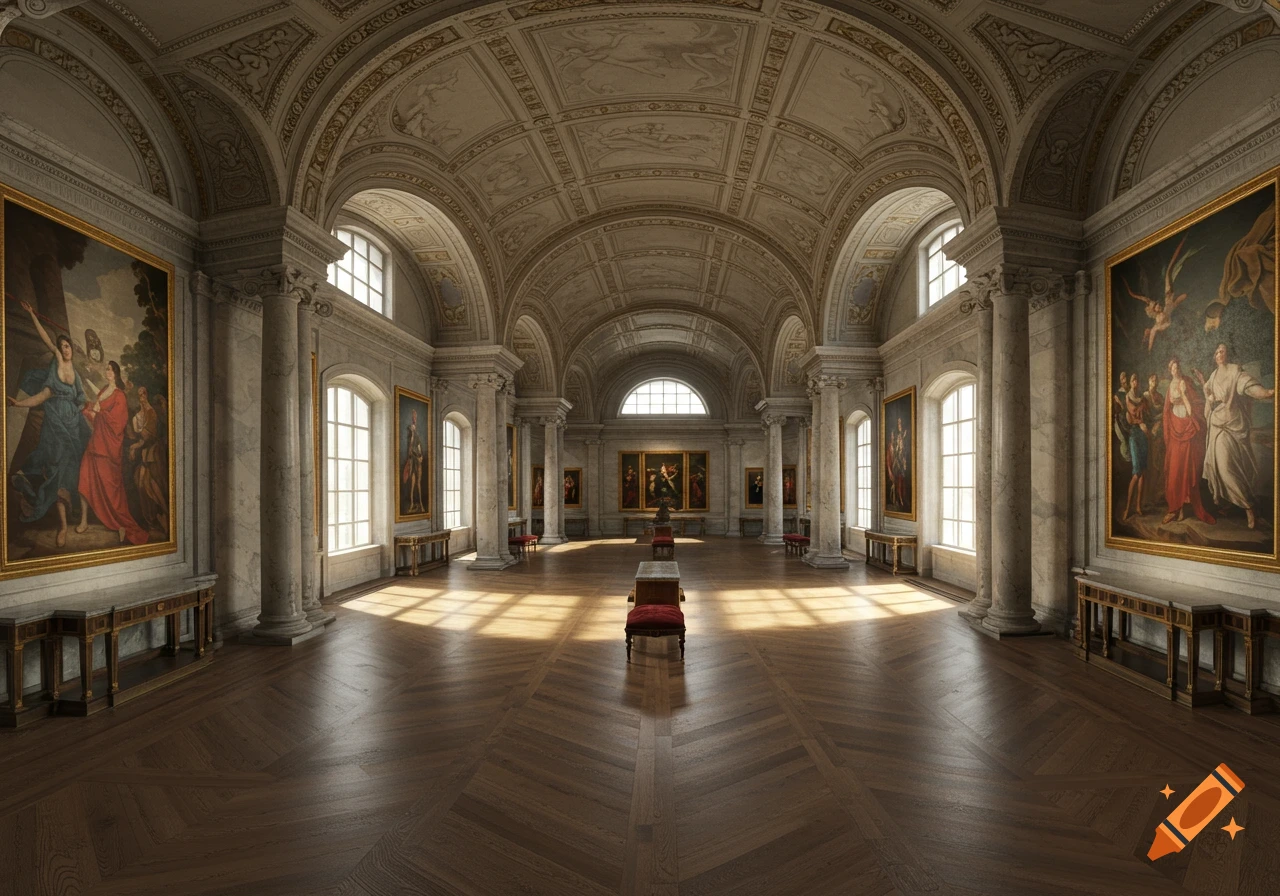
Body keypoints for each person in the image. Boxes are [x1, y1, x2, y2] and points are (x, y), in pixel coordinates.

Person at [7, 301, 91, 547]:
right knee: (55, 474)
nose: (66, 349)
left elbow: (82, 401)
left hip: (73, 428)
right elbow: (43, 396)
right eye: (62, 346)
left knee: (70, 474)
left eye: (68, 346)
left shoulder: (75, 373)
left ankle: (69, 519)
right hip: (54, 429)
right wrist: (20, 403)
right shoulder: (56, 365)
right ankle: (63, 527)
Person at [1196, 342, 1276, 528]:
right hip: (1217, 426)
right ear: (1214, 357)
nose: (1219, 353)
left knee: (1228, 467)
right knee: (1220, 467)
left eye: (1222, 350)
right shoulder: (1213, 376)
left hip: (1232, 424)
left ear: (1227, 354)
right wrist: (1208, 400)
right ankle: (1235, 504)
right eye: (1216, 351)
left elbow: (1248, 387)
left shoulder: (1234, 372)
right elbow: (1208, 399)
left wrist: (1266, 393)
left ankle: (1248, 506)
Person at [77, 361, 148, 544]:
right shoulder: (102, 392)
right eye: (106, 369)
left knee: (110, 490)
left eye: (109, 369)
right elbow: (97, 417)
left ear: (115, 373)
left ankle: (121, 524)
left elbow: (118, 424)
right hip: (95, 444)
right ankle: (83, 521)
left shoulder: (120, 396)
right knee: (84, 480)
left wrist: (99, 412)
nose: (107, 371)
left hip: (108, 449)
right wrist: (89, 410)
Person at [1162, 357, 1214, 525]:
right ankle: (1175, 508)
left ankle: (1182, 509)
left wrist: (1183, 394)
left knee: (1186, 469)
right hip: (1175, 428)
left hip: (1187, 427)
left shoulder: (1186, 382)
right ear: (1170, 370)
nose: (1175, 370)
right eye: (1173, 368)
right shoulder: (1170, 387)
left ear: (1180, 368)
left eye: (1177, 368)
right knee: (1175, 471)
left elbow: (1193, 407)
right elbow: (1167, 410)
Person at [128, 386, 169, 533]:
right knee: (141, 484)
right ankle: (152, 518)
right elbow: (135, 435)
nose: (142, 397)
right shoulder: (137, 416)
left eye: (144, 393)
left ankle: (163, 514)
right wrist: (135, 445)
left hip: (153, 452)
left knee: (152, 483)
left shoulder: (152, 413)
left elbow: (147, 436)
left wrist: (134, 447)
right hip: (145, 452)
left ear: (147, 394)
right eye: (139, 395)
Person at [1121, 373, 1150, 521]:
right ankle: (1127, 508)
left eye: (1137, 380)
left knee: (1143, 472)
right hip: (1135, 434)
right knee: (1136, 472)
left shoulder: (1143, 398)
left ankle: (1138, 506)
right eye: (1133, 380)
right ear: (1131, 383)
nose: (1135, 382)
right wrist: (1141, 423)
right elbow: (1134, 412)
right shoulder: (1128, 397)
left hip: (1143, 436)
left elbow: (1147, 413)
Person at [402, 409, 424, 513]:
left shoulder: (417, 438)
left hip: (417, 461)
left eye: (413, 426)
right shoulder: (409, 439)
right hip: (412, 461)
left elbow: (419, 451)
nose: (412, 428)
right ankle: (411, 504)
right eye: (411, 427)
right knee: (412, 484)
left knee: (418, 484)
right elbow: (410, 452)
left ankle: (420, 504)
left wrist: (420, 457)